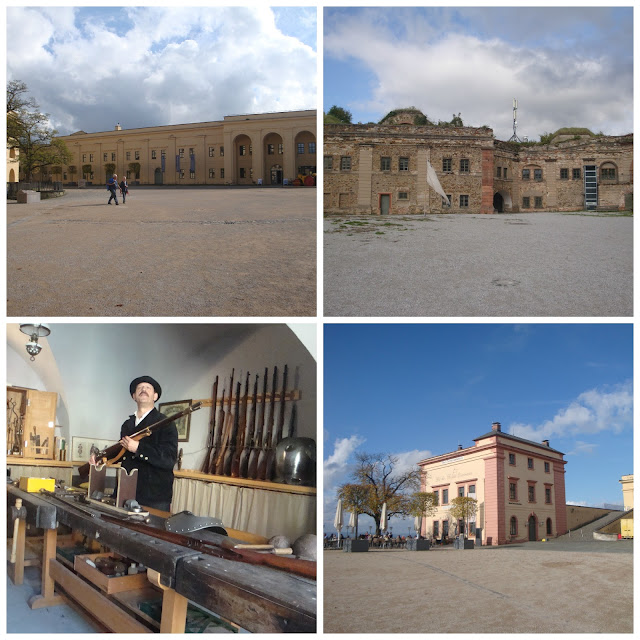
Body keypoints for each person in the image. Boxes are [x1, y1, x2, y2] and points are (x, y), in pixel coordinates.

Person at [91, 375, 177, 511]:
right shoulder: (127, 425)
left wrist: (139, 448)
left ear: (155, 396)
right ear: (134, 396)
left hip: (154, 497)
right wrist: (100, 460)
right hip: (125, 490)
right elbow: (121, 453)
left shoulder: (166, 423)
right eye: (139, 388)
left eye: (148, 388)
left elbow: (169, 459)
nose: (143, 389)